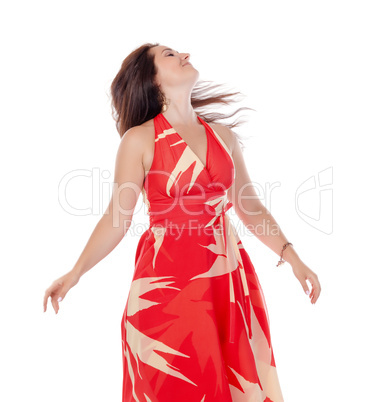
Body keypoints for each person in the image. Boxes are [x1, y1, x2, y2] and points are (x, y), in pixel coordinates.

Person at [43, 42, 321, 402]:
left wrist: (294, 258)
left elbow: (249, 206)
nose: (185, 55)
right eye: (170, 55)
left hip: (226, 282)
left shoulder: (223, 137)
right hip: (167, 294)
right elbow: (118, 216)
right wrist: (75, 272)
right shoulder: (140, 139)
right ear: (152, 79)